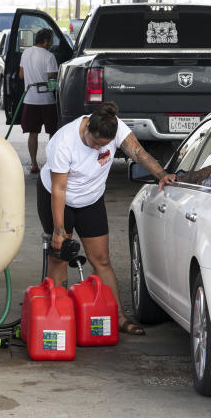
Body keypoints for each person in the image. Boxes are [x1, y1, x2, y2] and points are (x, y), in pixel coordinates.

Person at [38, 102, 175, 336]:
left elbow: (138, 153)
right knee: (60, 257)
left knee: (101, 259)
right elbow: (59, 190)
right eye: (94, 142)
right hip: (58, 198)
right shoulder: (63, 142)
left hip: (91, 198)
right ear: (87, 129)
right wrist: (59, 229)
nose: (96, 148)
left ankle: (119, 317)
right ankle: (58, 318)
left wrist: (161, 174)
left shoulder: (114, 128)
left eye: (102, 145)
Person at [19, 28, 58, 173]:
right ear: (46, 41)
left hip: (30, 99)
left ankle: (34, 164)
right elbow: (52, 77)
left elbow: (21, 75)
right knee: (53, 133)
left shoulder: (26, 53)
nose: (52, 43)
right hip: (47, 100)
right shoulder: (49, 56)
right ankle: (52, 164)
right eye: (52, 40)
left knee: (33, 133)